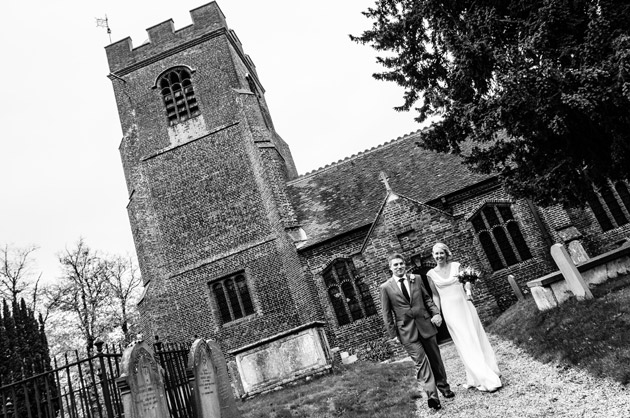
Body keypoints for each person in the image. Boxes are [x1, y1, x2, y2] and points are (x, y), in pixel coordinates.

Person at [380, 253, 454, 411]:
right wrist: (393, 335)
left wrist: (435, 313)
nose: (399, 267)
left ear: (404, 264)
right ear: (390, 267)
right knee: (421, 363)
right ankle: (432, 396)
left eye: (401, 264)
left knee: (435, 360)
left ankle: (445, 388)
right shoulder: (386, 287)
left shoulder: (416, 279)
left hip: (426, 324)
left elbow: (427, 299)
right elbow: (387, 314)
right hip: (406, 331)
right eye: (395, 265)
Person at [425, 242, 502, 392]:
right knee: (464, 340)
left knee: (475, 336)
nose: (439, 256)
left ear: (446, 254)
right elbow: (435, 295)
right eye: (436, 254)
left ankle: (488, 371)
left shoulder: (456, 266)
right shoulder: (430, 274)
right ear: (433, 256)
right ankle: (484, 378)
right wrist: (437, 313)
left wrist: (469, 292)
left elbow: (466, 282)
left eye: (442, 253)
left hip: (465, 305)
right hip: (450, 311)